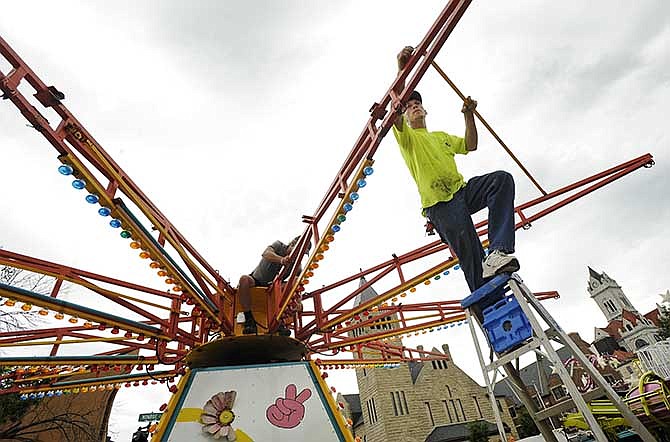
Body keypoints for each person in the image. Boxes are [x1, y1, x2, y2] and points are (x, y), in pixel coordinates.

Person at [393, 46, 519, 294]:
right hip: (440, 205)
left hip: (461, 192)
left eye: (418, 103)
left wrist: (469, 116)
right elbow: (396, 102)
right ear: (405, 116)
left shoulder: (441, 137)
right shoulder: (407, 138)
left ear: (425, 110)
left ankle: (498, 250)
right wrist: (401, 70)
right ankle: (489, 308)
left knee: (501, 181)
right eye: (409, 106)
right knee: (472, 257)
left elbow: (470, 145)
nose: (414, 106)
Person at [237, 236, 305, 335]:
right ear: (293, 244)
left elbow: (297, 284)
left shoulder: (297, 265)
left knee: (294, 280)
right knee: (244, 280)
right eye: (299, 251)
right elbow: (266, 254)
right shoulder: (278, 245)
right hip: (257, 280)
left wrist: (298, 301)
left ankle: (279, 320)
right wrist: (282, 260)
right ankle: (249, 318)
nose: (299, 255)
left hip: (275, 287)